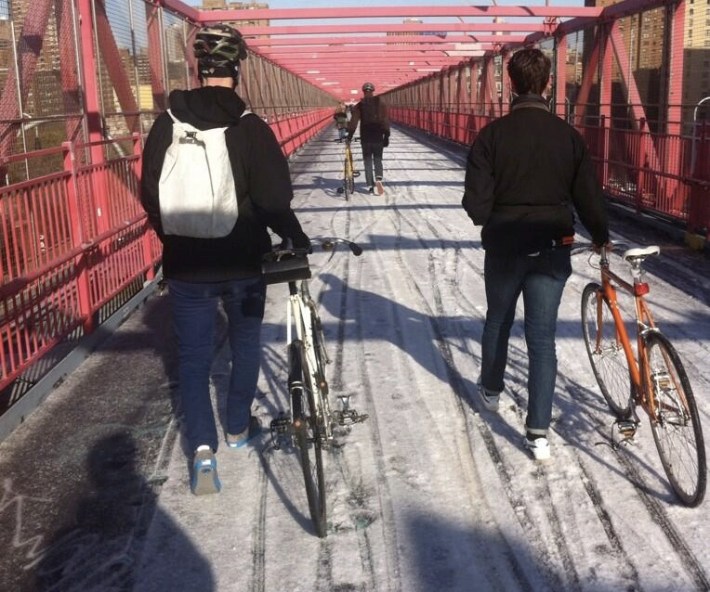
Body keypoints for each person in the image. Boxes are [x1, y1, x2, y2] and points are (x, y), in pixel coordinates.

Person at [140, 24, 310, 495]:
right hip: (243, 260)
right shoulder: (250, 126)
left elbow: (149, 193)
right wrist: (293, 235)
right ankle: (237, 427)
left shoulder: (167, 123)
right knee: (245, 344)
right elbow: (275, 197)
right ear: (237, 69)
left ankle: (201, 453)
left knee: (193, 358)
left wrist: (173, 238)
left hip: (187, 264)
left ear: (197, 67)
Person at [461, 48, 609, 461]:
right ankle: (538, 432)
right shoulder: (569, 137)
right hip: (552, 247)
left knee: (498, 320)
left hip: (505, 245)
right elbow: (589, 199)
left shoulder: (491, 136)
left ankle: (491, 390)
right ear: (547, 84)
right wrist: (600, 235)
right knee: (541, 338)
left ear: (511, 83)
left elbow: (475, 206)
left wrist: (498, 216)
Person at [347, 82, 390, 195]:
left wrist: (350, 135)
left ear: (364, 91)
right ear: (373, 91)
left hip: (366, 137)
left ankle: (370, 186)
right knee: (377, 159)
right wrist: (387, 135)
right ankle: (379, 178)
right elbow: (384, 119)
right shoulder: (380, 103)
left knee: (367, 162)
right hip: (378, 136)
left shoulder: (360, 105)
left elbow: (354, 122)